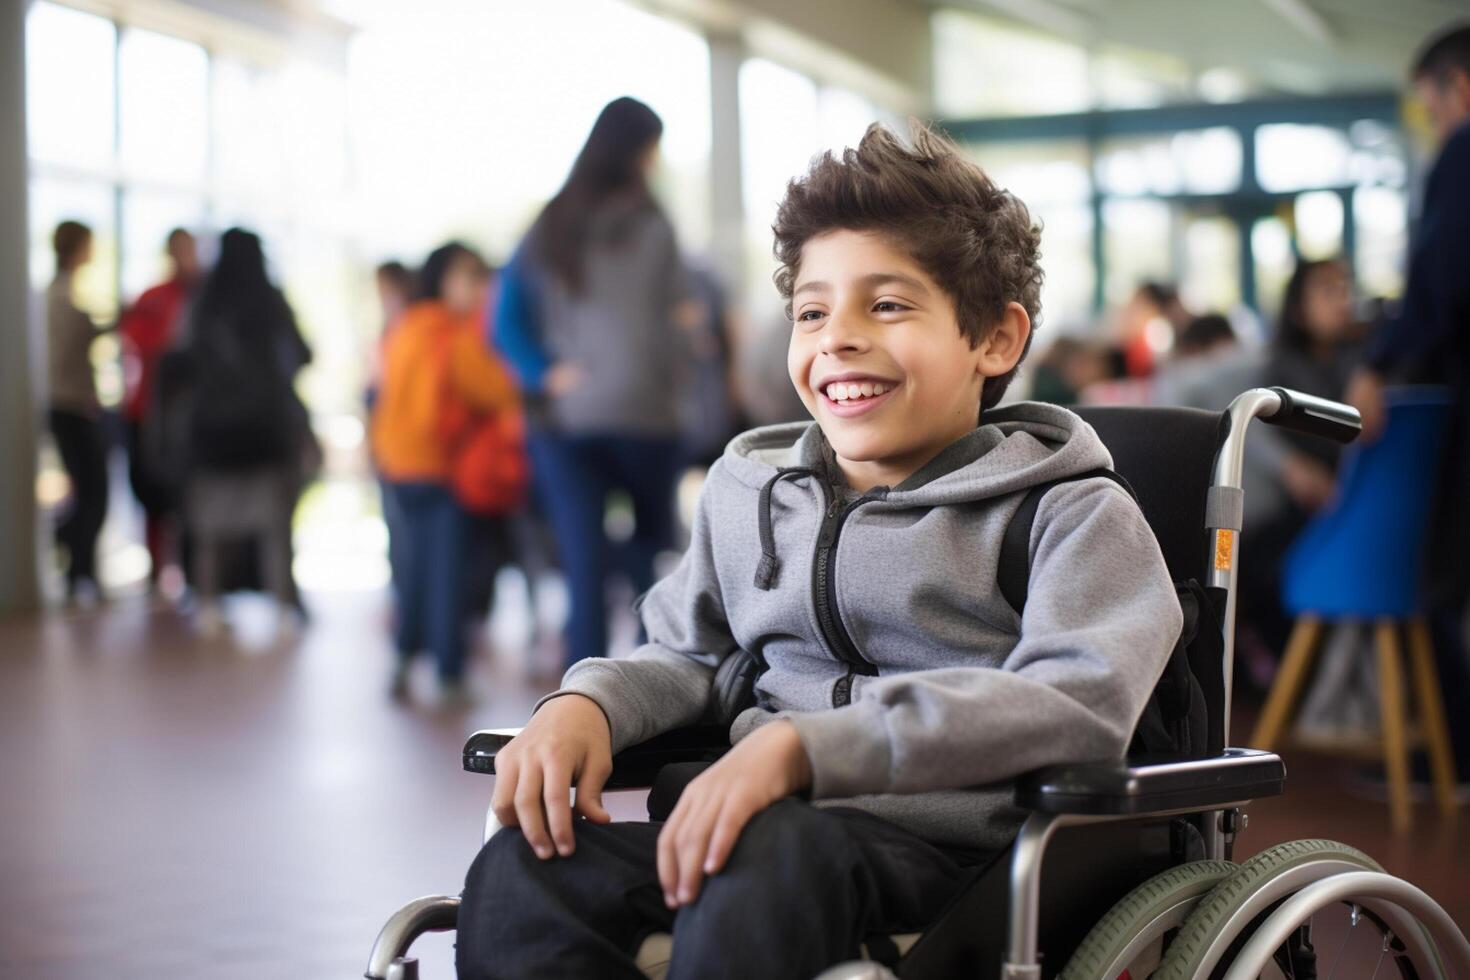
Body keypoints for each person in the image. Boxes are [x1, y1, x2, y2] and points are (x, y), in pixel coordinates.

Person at [456, 123, 1181, 980]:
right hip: (742, 835)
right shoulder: (750, 491)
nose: (836, 336)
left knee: (775, 854)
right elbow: (691, 655)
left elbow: (1078, 701)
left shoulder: (1070, 512)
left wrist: (810, 749)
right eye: (811, 310)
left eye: (887, 304)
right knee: (518, 869)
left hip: (962, 862)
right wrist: (589, 706)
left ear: (995, 338)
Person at [495, 96, 694, 668]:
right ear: (639, 150)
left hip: (568, 417)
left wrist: (545, 374)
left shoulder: (553, 222)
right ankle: (644, 683)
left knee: (583, 559)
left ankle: (579, 693)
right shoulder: (656, 223)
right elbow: (680, 317)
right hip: (649, 413)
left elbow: (504, 320)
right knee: (649, 552)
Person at [1344, 22, 1470, 768]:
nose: (1434, 123)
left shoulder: (1463, 153)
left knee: (1442, 575)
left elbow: (1442, 277)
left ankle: (1452, 753)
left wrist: (1379, 362)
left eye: (1430, 105)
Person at [371, 242, 519, 702]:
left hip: (398, 467)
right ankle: (449, 674)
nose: (478, 289)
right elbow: (496, 391)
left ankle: (402, 660)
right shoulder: (454, 335)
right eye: (469, 278)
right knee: (447, 573)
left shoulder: (405, 327)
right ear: (444, 280)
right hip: (440, 470)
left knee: (411, 568)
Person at [180, 228, 314, 632]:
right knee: (274, 526)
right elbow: (303, 354)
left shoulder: (204, 302)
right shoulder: (270, 301)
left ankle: (208, 602)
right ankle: (284, 603)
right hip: (267, 433)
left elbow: (181, 362)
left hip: (213, 436)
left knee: (212, 527)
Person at [118, 228, 200, 590]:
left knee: (189, 498)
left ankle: (194, 575)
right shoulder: (153, 298)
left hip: (191, 417)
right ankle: (157, 572)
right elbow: (136, 340)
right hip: (149, 412)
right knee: (151, 492)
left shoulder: (205, 299)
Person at [45, 220, 111, 603]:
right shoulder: (57, 296)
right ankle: (75, 564)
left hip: (73, 404)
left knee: (90, 492)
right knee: (92, 492)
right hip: (69, 405)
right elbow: (70, 346)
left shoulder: (61, 292)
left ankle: (79, 572)